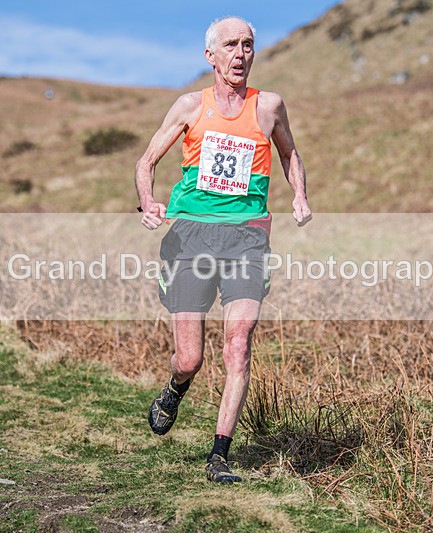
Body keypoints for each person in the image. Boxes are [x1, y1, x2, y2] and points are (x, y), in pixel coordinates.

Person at [134, 15, 311, 484]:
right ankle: (175, 389)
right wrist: (148, 201)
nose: (241, 53)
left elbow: (291, 154)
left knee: (239, 342)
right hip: (192, 237)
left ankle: (219, 456)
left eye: (248, 45)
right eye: (231, 45)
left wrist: (299, 195)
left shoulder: (269, 106)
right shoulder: (191, 106)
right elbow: (147, 159)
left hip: (247, 239)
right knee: (190, 358)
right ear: (210, 56)